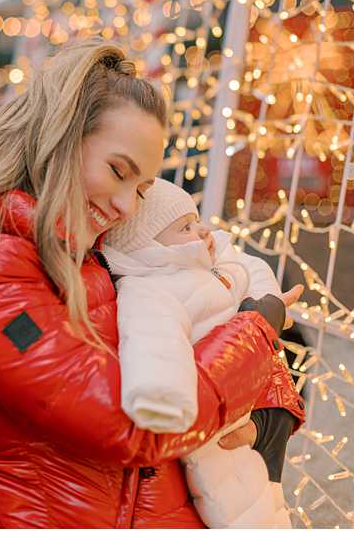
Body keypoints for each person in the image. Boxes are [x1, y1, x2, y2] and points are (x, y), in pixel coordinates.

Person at [0, 43, 306, 528]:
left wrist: (268, 413)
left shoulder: (80, 251)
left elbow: (184, 339)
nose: (126, 205)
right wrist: (255, 332)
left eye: (142, 190)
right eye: (118, 171)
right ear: (55, 138)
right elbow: (128, 426)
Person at [101, 178, 302, 528]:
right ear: (146, 245)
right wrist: (160, 399)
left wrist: (268, 305)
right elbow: (153, 344)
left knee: (266, 495)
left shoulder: (210, 261)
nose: (202, 230)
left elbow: (250, 268)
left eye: (196, 220)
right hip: (209, 424)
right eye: (185, 227)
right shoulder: (147, 290)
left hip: (245, 390)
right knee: (234, 500)